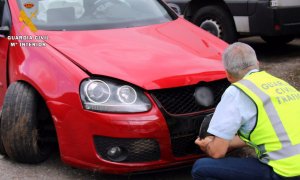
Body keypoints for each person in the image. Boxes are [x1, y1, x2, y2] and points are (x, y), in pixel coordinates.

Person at [192, 42, 300, 180]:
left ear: (228, 75)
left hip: (286, 173)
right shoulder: (279, 84)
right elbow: (266, 133)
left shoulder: (236, 92)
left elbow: (217, 152)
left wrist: (207, 145)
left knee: (201, 168)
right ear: (257, 63)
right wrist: (226, 142)